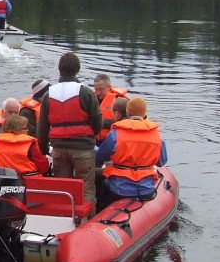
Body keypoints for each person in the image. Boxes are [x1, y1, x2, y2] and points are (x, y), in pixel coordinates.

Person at [37, 52, 102, 206]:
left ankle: (64, 220)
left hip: (58, 148)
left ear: (60, 69)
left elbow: (42, 126)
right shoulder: (85, 92)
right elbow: (97, 119)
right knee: (86, 188)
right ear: (77, 70)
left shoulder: (48, 94)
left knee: (63, 189)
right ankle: (86, 224)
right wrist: (94, 135)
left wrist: (43, 147)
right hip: (83, 149)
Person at [95, 97, 168, 212]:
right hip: (146, 189)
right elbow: (161, 161)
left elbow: (99, 158)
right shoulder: (156, 134)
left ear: (127, 112)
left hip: (120, 189)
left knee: (103, 183)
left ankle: (99, 212)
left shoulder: (116, 133)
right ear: (144, 113)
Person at [93, 74, 130, 145]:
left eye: (101, 89)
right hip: (96, 139)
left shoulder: (120, 100)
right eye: (96, 89)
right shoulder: (91, 98)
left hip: (113, 139)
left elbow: (126, 121)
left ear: (109, 87)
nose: (98, 92)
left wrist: (101, 122)